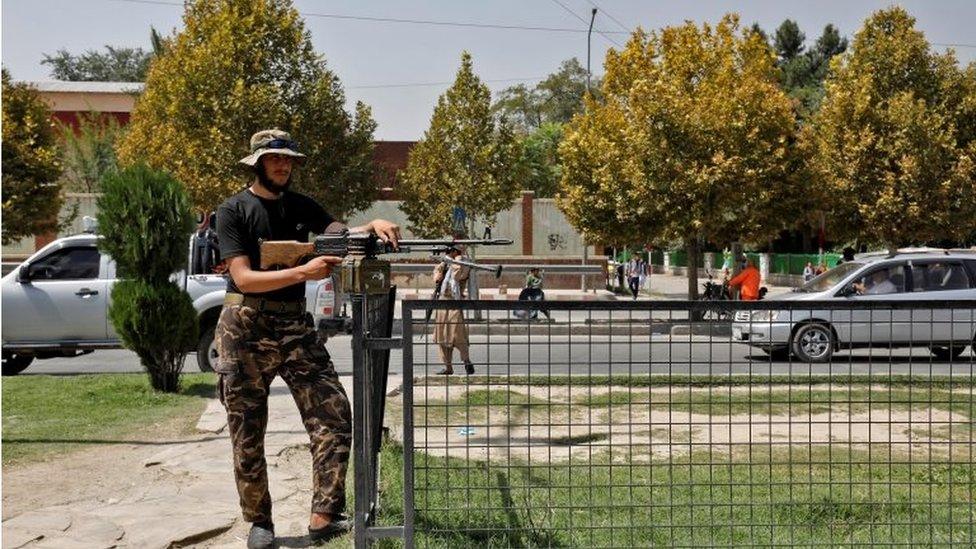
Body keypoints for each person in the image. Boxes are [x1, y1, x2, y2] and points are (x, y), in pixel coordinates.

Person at [215, 129, 401, 548]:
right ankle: (260, 522)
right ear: (258, 163)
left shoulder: (302, 206)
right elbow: (242, 277)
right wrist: (304, 272)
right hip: (245, 326)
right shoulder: (233, 211)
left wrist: (372, 223)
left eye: (289, 160)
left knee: (334, 414)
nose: (283, 166)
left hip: (295, 325)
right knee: (247, 430)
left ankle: (324, 517)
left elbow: (340, 233)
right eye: (275, 159)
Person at [432, 246, 474, 375]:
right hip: (442, 302)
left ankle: (466, 360)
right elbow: (436, 279)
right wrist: (443, 266)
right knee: (441, 336)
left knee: (457, 334)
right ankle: (448, 367)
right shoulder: (444, 264)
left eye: (451, 251)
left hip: (455, 302)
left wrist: (457, 260)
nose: (448, 254)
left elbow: (458, 276)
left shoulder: (464, 263)